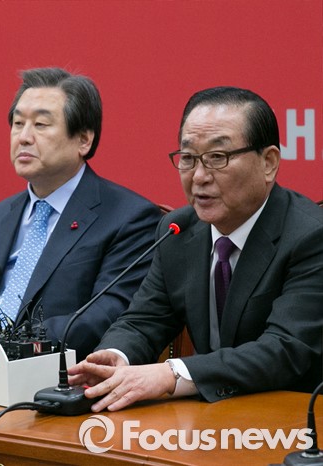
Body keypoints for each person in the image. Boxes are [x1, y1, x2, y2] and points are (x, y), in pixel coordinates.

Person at [68, 86, 323, 411]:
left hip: (294, 419)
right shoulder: (178, 230)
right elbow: (143, 321)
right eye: (188, 158)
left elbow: (285, 349)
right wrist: (117, 357)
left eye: (218, 157)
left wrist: (172, 374)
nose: (199, 176)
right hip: (208, 417)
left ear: (269, 162)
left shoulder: (310, 236)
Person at [0, 67, 161, 359]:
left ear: (83, 140)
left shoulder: (130, 218)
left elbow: (104, 316)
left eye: (41, 124)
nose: (24, 137)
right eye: (18, 123)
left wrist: (7, 346)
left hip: (58, 371)